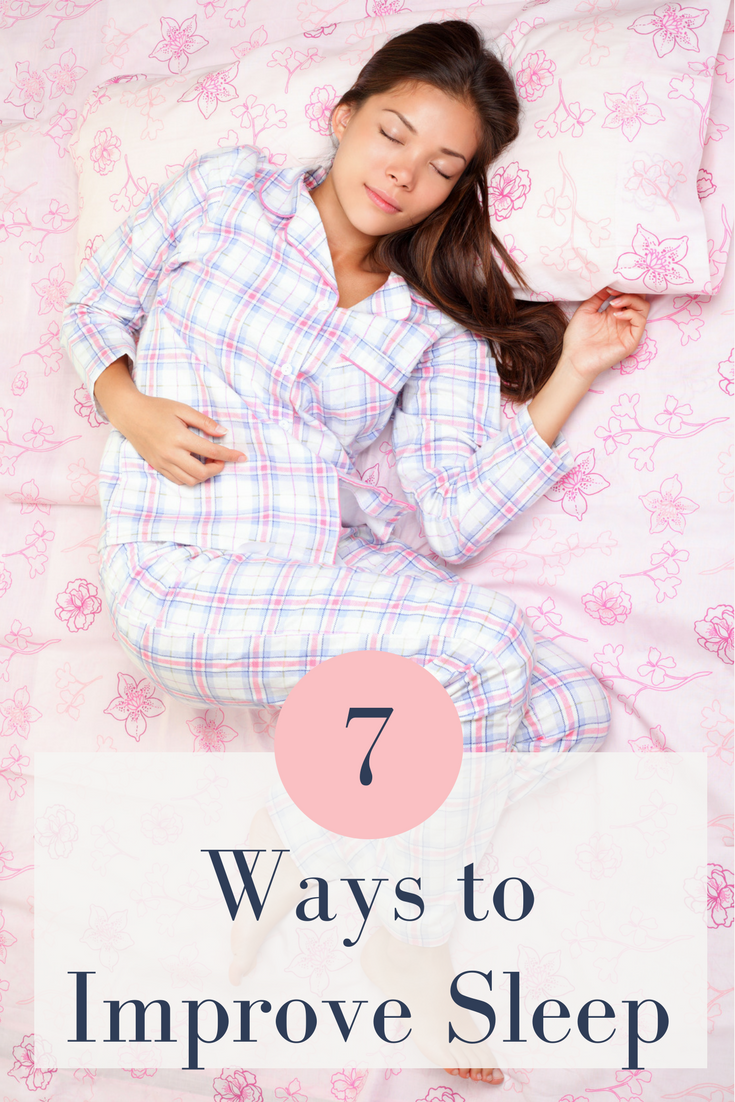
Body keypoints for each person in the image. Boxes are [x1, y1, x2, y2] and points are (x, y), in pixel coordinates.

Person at [61, 20, 649, 1084]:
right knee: (478, 648)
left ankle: (301, 818)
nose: (404, 174)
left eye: (442, 167)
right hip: (183, 575)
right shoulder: (228, 191)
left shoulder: (427, 324)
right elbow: (95, 304)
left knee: (569, 707)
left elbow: (455, 520)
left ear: (458, 190)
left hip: (325, 571)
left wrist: (577, 371)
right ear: (342, 118)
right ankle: (411, 944)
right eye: (392, 133)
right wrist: (129, 405)